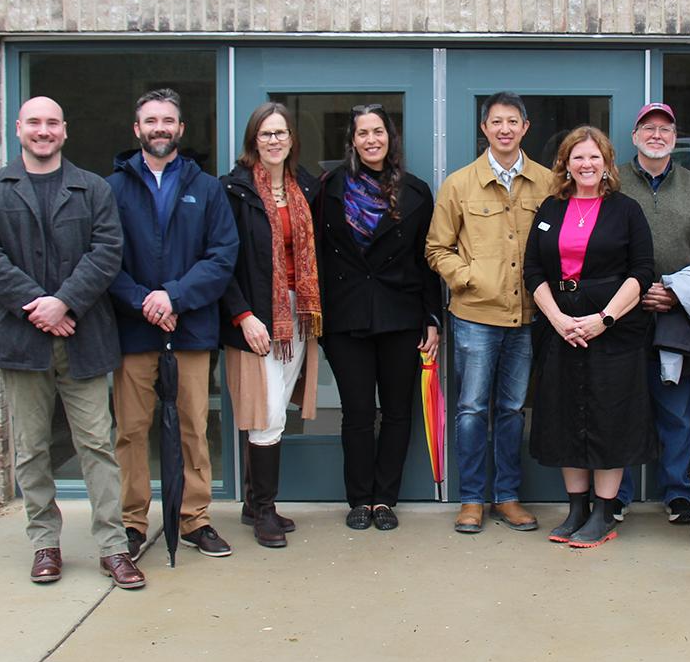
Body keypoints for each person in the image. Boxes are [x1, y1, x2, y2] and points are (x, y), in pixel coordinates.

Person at [0, 96, 144, 589]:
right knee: (31, 448)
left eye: (52, 123)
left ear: (64, 131)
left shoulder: (92, 190)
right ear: (19, 128)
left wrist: (64, 303)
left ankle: (113, 546)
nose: (43, 131)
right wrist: (40, 308)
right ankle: (44, 543)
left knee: (97, 446)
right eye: (34, 123)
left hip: (84, 338)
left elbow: (107, 252)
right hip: (21, 341)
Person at [108, 89, 239, 560]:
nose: (159, 127)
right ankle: (132, 523)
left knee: (193, 428)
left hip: (189, 328)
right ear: (137, 130)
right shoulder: (113, 189)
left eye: (168, 120)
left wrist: (175, 296)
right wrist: (144, 300)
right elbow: (104, 258)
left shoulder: (206, 189)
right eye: (151, 120)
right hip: (135, 329)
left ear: (181, 130)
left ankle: (195, 519)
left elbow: (222, 255)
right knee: (131, 430)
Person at [426, 91, 552, 534]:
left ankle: (508, 496)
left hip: (527, 317)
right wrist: (468, 278)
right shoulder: (459, 184)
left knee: (513, 409)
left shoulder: (547, 181)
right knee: (472, 409)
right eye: (496, 121)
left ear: (525, 128)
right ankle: (472, 499)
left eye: (512, 121)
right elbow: (436, 248)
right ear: (484, 128)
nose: (504, 129)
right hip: (475, 315)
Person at [524, 126, 655, 547]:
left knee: (609, 420)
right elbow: (533, 272)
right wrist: (559, 319)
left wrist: (606, 318)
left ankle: (603, 513)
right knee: (566, 419)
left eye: (594, 157)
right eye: (577, 157)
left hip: (614, 335)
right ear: (565, 163)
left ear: (607, 164)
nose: (586, 164)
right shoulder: (549, 209)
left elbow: (642, 272)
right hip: (559, 332)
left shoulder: (627, 210)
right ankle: (576, 509)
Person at [316, 105, 441, 531]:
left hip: (401, 313)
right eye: (362, 133)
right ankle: (360, 499)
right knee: (356, 414)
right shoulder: (329, 188)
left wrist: (431, 317)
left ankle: (384, 499)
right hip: (346, 314)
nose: (371, 139)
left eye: (378, 131)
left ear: (390, 137)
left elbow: (426, 260)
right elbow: (315, 254)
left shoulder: (416, 191)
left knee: (397, 412)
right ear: (351, 140)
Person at [219, 103, 322, 549]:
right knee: (268, 411)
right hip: (257, 315)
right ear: (253, 141)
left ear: (291, 139)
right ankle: (264, 509)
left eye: (281, 133)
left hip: (298, 312)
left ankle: (252, 503)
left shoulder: (307, 189)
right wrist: (243, 316)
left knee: (277, 405)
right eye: (265, 134)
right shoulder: (233, 190)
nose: (274, 140)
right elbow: (222, 261)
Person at [617, 103, 690, 524]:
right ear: (634, 136)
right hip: (621, 313)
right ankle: (617, 494)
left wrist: (682, 289)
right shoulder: (614, 180)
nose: (656, 134)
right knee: (621, 405)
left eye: (665, 129)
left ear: (675, 138)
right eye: (648, 127)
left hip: (675, 315)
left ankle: (677, 493)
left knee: (675, 410)